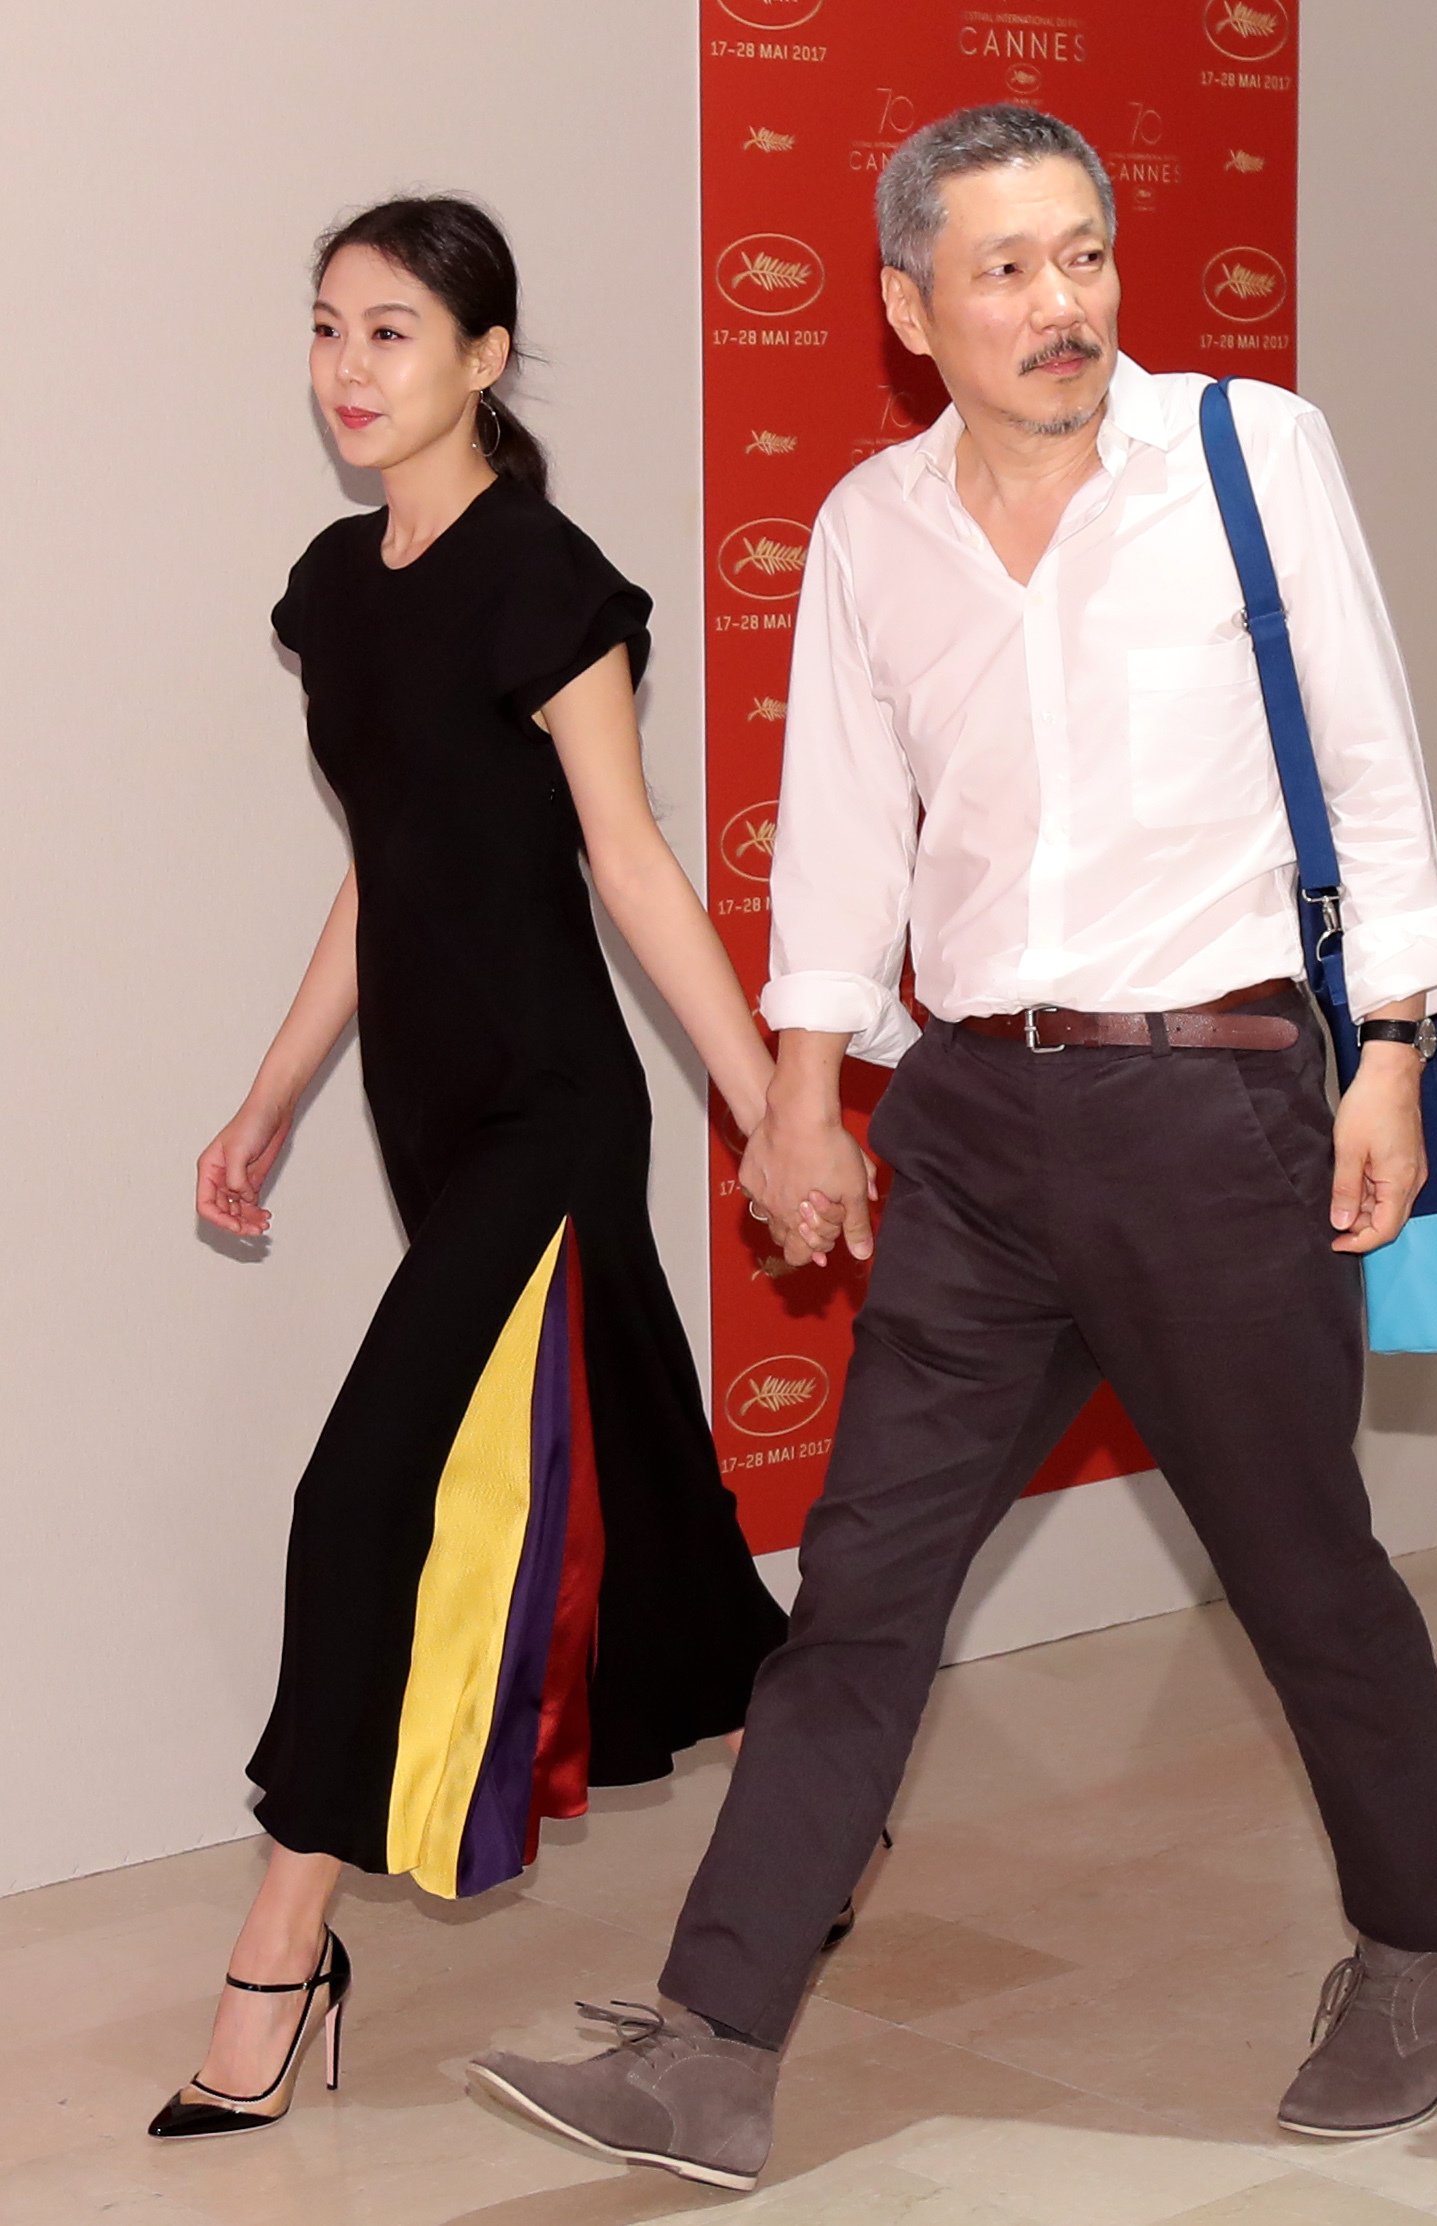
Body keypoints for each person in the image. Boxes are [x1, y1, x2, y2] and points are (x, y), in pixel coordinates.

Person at [471, 107, 1437, 2191]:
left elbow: (1373, 762)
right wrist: (799, 1090)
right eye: (1008, 269)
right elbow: (846, 832)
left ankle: (1425, 1949)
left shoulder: (1243, 455)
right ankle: (713, 2044)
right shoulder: (871, 526)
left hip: (1211, 1105)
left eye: (1085, 254)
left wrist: (1390, 1049)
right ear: (907, 305)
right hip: (967, 1126)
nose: (1062, 303)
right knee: (861, 1590)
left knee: (1299, 1568)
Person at [149, 196, 794, 2141]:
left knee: (359, 1499)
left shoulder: (547, 579)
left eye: (394, 332)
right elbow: (391, 871)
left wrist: (773, 1105)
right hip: (427, 1118)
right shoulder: (338, 587)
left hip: (550, 1117)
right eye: (327, 328)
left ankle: (283, 1952)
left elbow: (632, 865)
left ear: (485, 358)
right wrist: (270, 1096)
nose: (349, 370)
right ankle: (820, 1796)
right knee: (644, 1505)